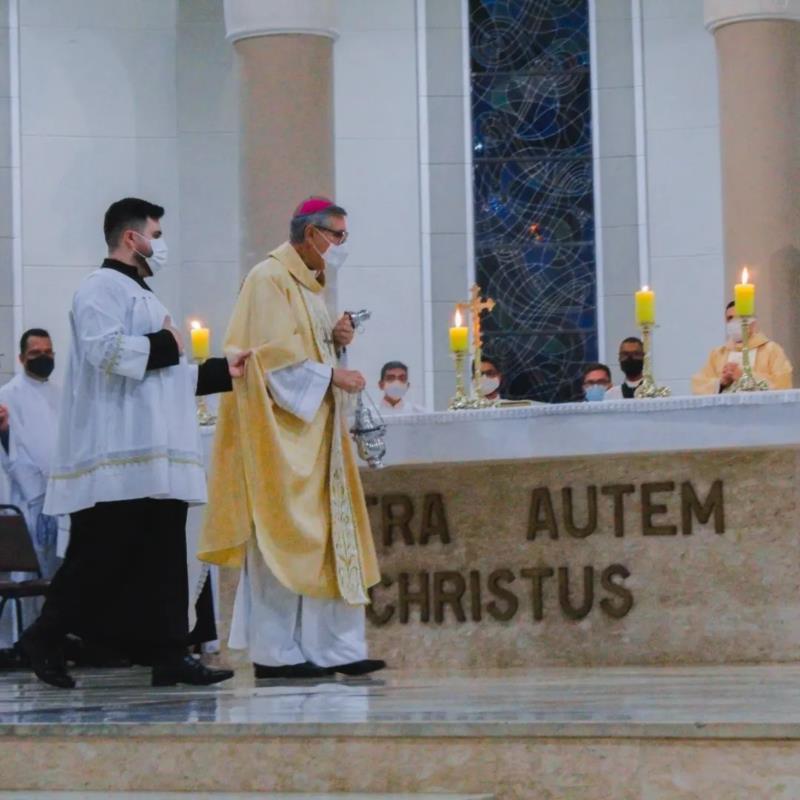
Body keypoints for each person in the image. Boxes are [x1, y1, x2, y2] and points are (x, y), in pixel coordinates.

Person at [18, 197, 246, 689]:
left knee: (163, 555)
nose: (160, 245)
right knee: (101, 555)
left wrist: (219, 371)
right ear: (131, 238)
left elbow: (160, 379)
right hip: (117, 455)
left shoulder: (145, 295)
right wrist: (169, 344)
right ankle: (45, 634)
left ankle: (169, 654)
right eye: (156, 235)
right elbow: (106, 352)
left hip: (154, 454)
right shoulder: (99, 288)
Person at [200, 196, 385, 680]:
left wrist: (337, 340)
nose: (342, 246)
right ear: (311, 234)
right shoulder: (269, 279)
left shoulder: (309, 288)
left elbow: (306, 352)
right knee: (280, 541)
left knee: (327, 542)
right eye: (337, 236)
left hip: (317, 435)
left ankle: (336, 650)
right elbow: (264, 359)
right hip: (278, 438)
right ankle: (275, 653)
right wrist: (330, 378)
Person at [0, 329, 62, 649]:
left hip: (59, 499)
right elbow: (12, 450)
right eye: (36, 353)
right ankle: (18, 642)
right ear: (22, 358)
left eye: (49, 352)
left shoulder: (59, 393)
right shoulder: (8, 394)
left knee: (57, 571)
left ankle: (51, 641)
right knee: (26, 573)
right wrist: (37, 490)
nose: (44, 358)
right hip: (27, 499)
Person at [692, 301, 793, 394]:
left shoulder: (771, 350)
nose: (733, 322)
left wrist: (744, 376)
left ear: (752, 322)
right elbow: (699, 386)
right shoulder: (718, 354)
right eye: (730, 318)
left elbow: (783, 385)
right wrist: (721, 383)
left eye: (738, 317)